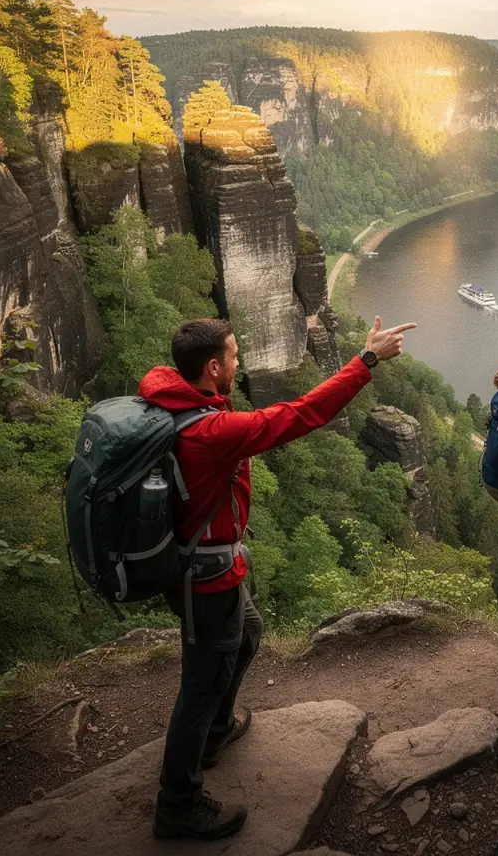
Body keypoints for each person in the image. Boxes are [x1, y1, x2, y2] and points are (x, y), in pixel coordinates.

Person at [138, 314, 415, 841]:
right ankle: (178, 803)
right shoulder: (210, 430)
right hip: (205, 578)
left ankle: (217, 730)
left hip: (212, 569)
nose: (240, 364)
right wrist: (367, 361)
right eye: (235, 356)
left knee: (248, 633)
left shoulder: (174, 403)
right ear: (213, 366)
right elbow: (302, 415)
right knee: (200, 683)